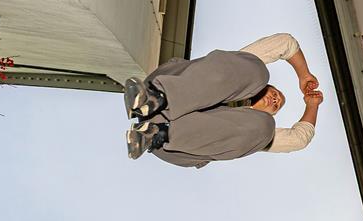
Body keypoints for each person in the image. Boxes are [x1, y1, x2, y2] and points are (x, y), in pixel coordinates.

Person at [123, 33, 324, 168]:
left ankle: (155, 134)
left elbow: (299, 139)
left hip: (171, 145)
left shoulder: (257, 130)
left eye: (277, 106)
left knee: (263, 129)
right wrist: (303, 74)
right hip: (167, 85)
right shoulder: (242, 75)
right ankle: (154, 98)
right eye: (275, 93)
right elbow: (285, 43)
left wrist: (312, 105)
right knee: (255, 69)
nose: (275, 99)